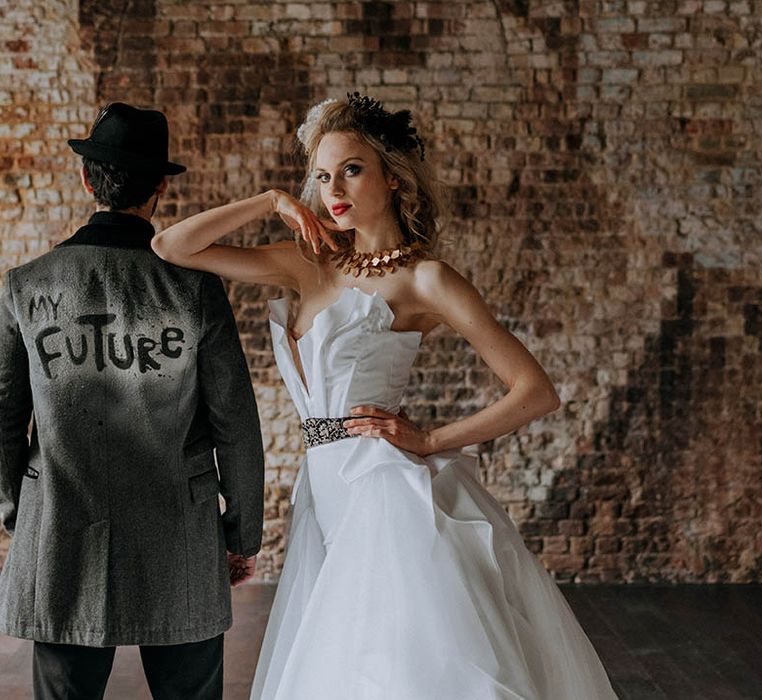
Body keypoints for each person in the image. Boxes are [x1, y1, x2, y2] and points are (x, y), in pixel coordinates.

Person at [152, 92, 618, 699]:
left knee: (392, 661)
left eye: (350, 169)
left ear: (393, 178)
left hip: (382, 485)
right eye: (321, 175)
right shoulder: (307, 263)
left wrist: (428, 441)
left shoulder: (427, 279)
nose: (332, 189)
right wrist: (272, 201)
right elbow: (172, 246)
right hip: (323, 487)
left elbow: (535, 392)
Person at [0, 102, 264, 700]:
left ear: (88, 177)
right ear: (159, 189)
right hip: (181, 539)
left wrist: (20, 511)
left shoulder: (27, 284)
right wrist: (242, 535)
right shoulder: (196, 288)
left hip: (61, 529)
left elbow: (4, 418)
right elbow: (237, 425)